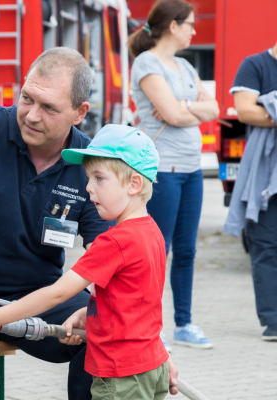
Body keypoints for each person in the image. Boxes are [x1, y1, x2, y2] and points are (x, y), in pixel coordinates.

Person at [0, 47, 179, 400]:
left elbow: (127, 271)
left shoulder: (94, 167)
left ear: (79, 113)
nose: (30, 115)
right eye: (27, 98)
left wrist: (151, 353)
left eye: (49, 108)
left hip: (37, 294)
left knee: (100, 333)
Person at [0, 124, 174, 400]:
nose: (88, 188)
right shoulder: (152, 232)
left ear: (134, 184)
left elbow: (58, 293)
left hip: (120, 375)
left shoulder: (114, 242)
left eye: (99, 178)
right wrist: (91, 313)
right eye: (88, 178)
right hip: (151, 364)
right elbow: (135, 300)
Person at [128, 0, 219, 350]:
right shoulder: (146, 63)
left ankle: (184, 323)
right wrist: (184, 109)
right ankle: (152, 326)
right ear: (172, 26)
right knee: (157, 250)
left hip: (192, 168)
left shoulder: (183, 65)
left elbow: (212, 107)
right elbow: (173, 115)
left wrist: (182, 108)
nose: (194, 30)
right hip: (162, 169)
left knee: (186, 250)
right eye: (191, 24)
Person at [223, 39, 277, 341]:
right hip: (265, 175)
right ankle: (273, 321)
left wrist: (269, 105)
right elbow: (245, 110)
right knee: (265, 245)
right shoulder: (255, 65)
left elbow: (259, 110)